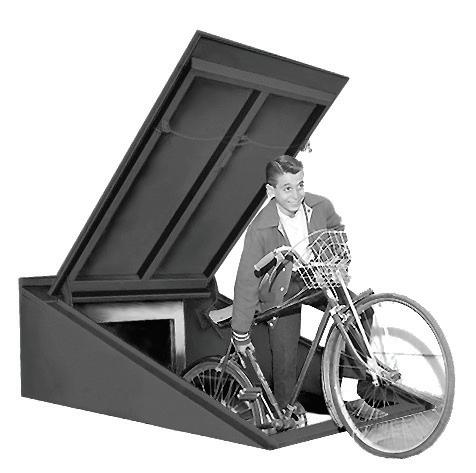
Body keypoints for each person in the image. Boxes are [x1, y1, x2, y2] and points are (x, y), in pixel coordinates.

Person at [231, 155, 344, 411]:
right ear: (271, 191)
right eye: (287, 188)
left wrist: (334, 258)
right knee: (285, 352)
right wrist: (240, 332)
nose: (296, 195)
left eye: (300, 185)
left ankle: (362, 384)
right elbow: (247, 280)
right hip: (283, 287)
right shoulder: (260, 228)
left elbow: (336, 229)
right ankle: (285, 410)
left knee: (361, 310)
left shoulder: (319, 206)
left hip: (315, 275)